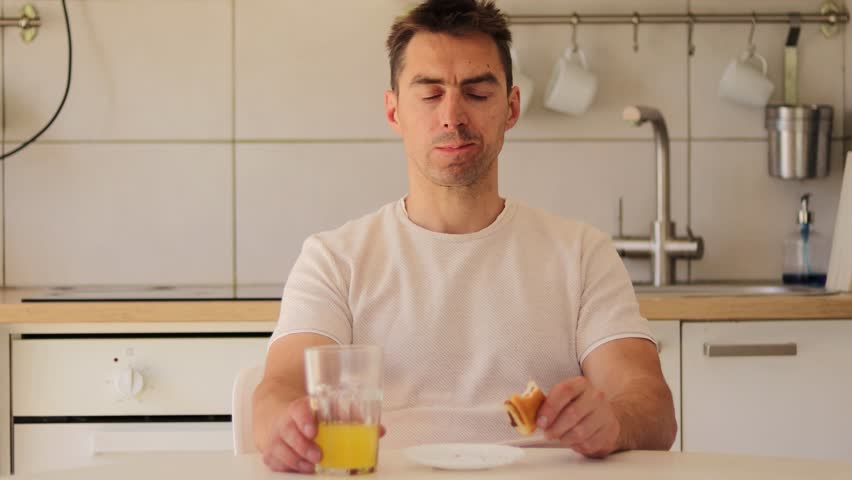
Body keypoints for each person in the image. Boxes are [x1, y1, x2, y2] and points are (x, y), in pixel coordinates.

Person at [253, 0, 677, 473]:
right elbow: (278, 390)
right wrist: (285, 427)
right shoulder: (334, 259)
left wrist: (615, 421)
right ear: (394, 111)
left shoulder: (581, 253)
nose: (452, 115)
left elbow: (651, 405)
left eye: (477, 93)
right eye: (430, 94)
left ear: (511, 107)